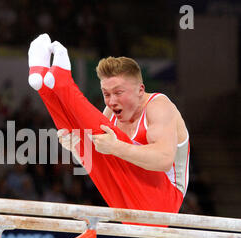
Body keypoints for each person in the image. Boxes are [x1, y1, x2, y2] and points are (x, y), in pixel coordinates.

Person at [27, 34, 190, 224]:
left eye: (119, 93)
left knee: (104, 139)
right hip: (124, 204)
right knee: (83, 137)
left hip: (164, 204)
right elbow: (102, 166)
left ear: (140, 89)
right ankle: (45, 89)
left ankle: (64, 84)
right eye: (106, 94)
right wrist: (77, 149)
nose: (112, 101)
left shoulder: (159, 106)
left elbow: (163, 160)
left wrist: (116, 147)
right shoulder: (111, 113)